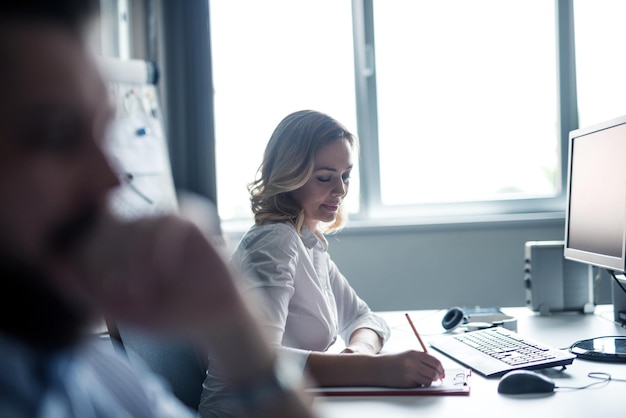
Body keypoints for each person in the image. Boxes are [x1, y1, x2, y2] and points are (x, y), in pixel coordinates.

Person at [0, 2, 316, 417]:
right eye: (58, 135)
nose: (111, 180)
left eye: (103, 133)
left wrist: (237, 332)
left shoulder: (89, 372)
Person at [199, 110, 445, 416]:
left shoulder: (307, 242)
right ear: (290, 176)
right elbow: (258, 360)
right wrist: (374, 369)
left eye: (346, 176)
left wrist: (358, 354)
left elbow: (365, 319)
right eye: (325, 177)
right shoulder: (275, 241)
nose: (340, 190)